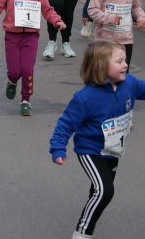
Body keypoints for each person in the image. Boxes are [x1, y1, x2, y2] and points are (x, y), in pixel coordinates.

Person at [49, 41, 145, 239]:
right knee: (105, 191)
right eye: (119, 61)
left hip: (113, 149)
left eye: (125, 60)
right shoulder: (85, 97)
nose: (125, 64)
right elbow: (65, 124)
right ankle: (82, 233)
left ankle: (91, 213)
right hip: (90, 150)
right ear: (101, 65)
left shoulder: (130, 83)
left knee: (99, 191)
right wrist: (58, 148)